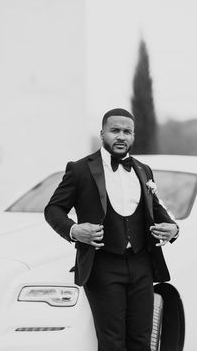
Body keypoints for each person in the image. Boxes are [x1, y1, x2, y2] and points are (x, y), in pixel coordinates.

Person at [44, 108, 179, 351]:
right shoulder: (80, 169)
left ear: (133, 136)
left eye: (127, 131)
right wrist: (74, 230)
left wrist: (174, 229)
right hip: (102, 265)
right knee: (112, 342)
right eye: (115, 130)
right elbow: (53, 209)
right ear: (102, 133)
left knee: (141, 340)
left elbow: (156, 208)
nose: (121, 136)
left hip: (141, 264)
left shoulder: (143, 170)